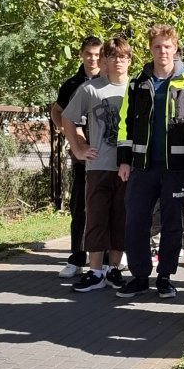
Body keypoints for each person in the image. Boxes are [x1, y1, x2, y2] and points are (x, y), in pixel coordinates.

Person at [116, 24, 184, 299]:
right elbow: (125, 125)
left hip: (177, 168)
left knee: (172, 224)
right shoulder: (137, 82)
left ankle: (165, 277)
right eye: (157, 46)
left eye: (167, 46)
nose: (162, 51)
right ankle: (140, 276)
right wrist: (124, 161)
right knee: (135, 222)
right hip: (142, 166)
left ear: (175, 48)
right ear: (150, 49)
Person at [61, 36, 130, 292]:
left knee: (120, 218)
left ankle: (114, 269)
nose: (118, 62)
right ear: (105, 60)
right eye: (112, 57)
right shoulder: (91, 89)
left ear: (129, 60)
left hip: (126, 166)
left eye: (123, 57)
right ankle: (96, 271)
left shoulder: (134, 89)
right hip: (99, 165)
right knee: (97, 217)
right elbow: (68, 119)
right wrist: (78, 149)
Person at [51, 36, 102, 278]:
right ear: (81, 54)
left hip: (108, 155)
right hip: (83, 156)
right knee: (79, 205)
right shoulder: (72, 84)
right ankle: (76, 257)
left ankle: (111, 256)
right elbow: (57, 111)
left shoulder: (111, 80)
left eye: (97, 54)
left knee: (109, 204)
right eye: (88, 54)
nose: (93, 58)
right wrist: (72, 138)